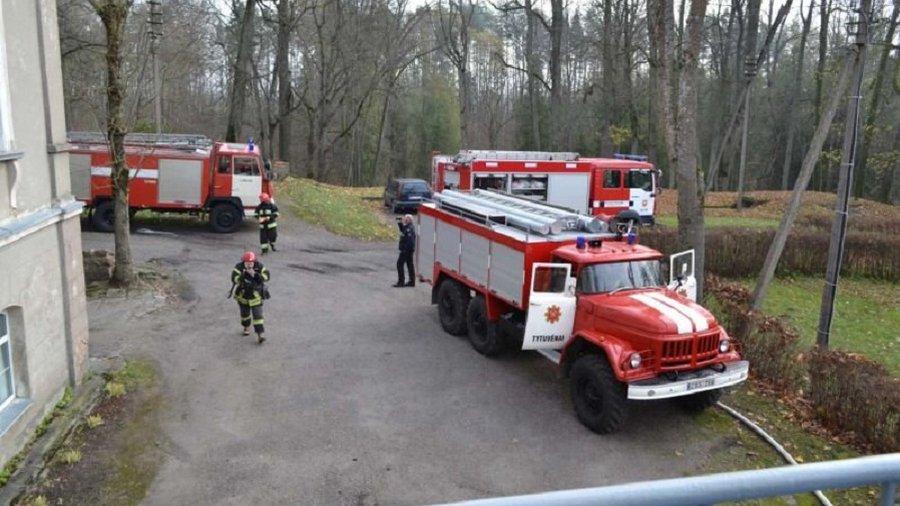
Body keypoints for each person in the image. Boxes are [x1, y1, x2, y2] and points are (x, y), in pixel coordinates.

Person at [230, 251, 270, 343]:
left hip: (256, 296)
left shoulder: (259, 266)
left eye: (251, 263)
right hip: (243, 296)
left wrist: (256, 275)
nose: (250, 265)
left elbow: (267, 276)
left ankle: (260, 335)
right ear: (244, 262)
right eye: (247, 263)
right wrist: (243, 275)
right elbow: (234, 279)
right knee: (245, 315)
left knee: (258, 316)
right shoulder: (239, 267)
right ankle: (246, 327)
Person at [394, 214, 416, 288]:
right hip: (408, 250)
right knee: (410, 265)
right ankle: (412, 281)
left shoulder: (409, 229)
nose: (405, 219)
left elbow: (410, 241)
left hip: (406, 250)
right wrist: (399, 222)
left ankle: (401, 282)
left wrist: (405, 250)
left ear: (409, 220)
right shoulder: (407, 227)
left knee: (399, 264)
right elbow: (402, 229)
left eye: (406, 218)